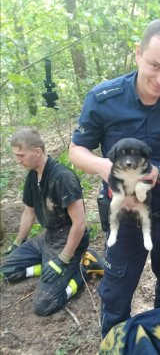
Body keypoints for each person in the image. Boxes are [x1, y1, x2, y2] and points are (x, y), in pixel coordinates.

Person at [69, 19, 160, 337]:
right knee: (116, 296)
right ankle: (114, 343)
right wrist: (104, 168)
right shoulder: (104, 98)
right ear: (138, 53)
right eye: (155, 65)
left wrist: (157, 174)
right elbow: (77, 150)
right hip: (124, 220)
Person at [1, 128, 90, 316]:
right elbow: (29, 211)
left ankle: (84, 270)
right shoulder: (33, 176)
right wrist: (18, 242)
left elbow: (80, 223)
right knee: (7, 270)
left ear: (37, 152)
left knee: (44, 306)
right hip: (48, 237)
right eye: (16, 156)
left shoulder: (62, 177)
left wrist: (63, 259)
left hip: (68, 240)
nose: (18, 160)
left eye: (21, 155)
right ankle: (47, 264)